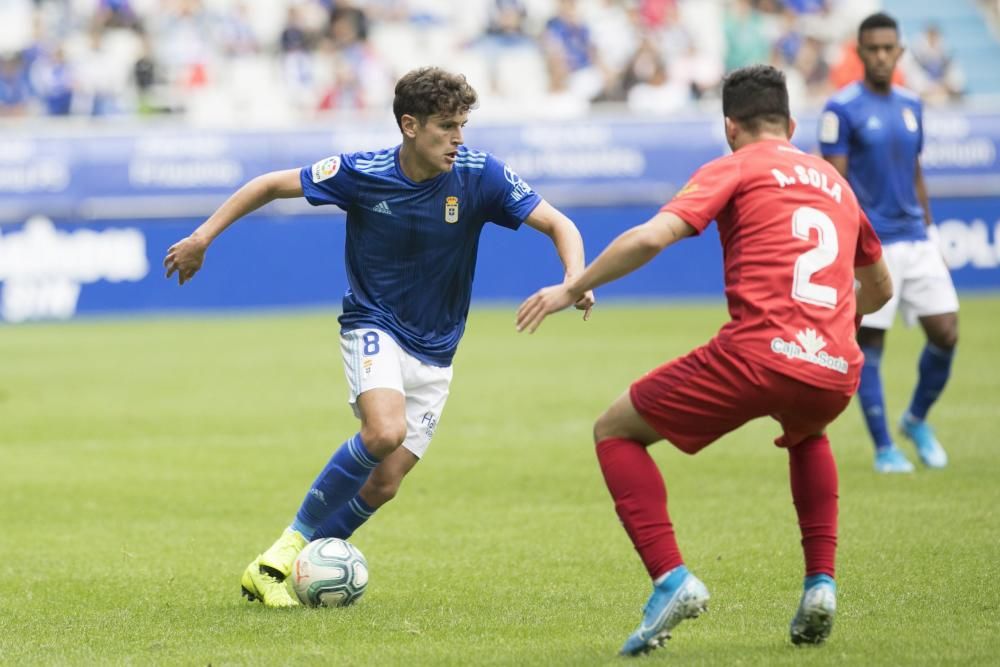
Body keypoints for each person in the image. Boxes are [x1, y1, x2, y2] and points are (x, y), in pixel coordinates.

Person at [163, 66, 595, 607]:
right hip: (374, 324)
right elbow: (270, 184)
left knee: (384, 483)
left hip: (437, 351)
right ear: (410, 126)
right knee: (384, 431)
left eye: (463, 125)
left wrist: (573, 279)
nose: (459, 139)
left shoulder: (480, 175)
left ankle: (287, 569)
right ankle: (285, 550)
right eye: (446, 127)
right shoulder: (362, 172)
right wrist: (202, 238)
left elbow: (560, 223)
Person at [517, 64, 892, 655]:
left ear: (729, 126)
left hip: (759, 353)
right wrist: (829, 331)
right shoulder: (834, 182)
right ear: (791, 124)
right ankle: (821, 583)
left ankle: (671, 578)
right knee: (808, 430)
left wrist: (572, 286)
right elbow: (880, 289)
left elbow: (650, 237)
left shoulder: (736, 165)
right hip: (834, 368)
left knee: (614, 430)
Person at [819, 12, 958, 474]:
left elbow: (915, 173)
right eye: (872, 48)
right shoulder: (841, 110)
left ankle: (915, 419)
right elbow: (835, 185)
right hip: (871, 247)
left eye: (888, 48)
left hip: (917, 239)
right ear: (859, 53)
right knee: (870, 345)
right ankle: (884, 447)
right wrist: (847, 250)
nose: (881, 56)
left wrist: (932, 231)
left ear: (899, 52)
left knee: (946, 332)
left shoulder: (911, 104)